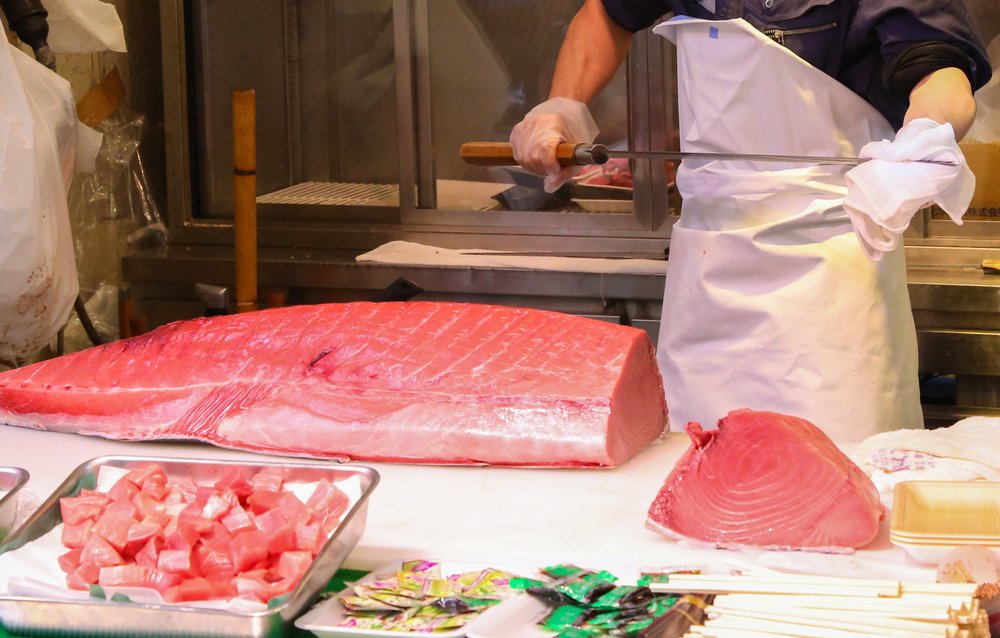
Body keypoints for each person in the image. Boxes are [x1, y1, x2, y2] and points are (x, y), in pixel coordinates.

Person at [510, 1, 992, 441]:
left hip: (830, 262)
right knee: (696, 462)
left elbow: (939, 67)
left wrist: (927, 134)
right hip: (708, 264)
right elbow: (608, 12)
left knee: (833, 472)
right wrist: (561, 105)